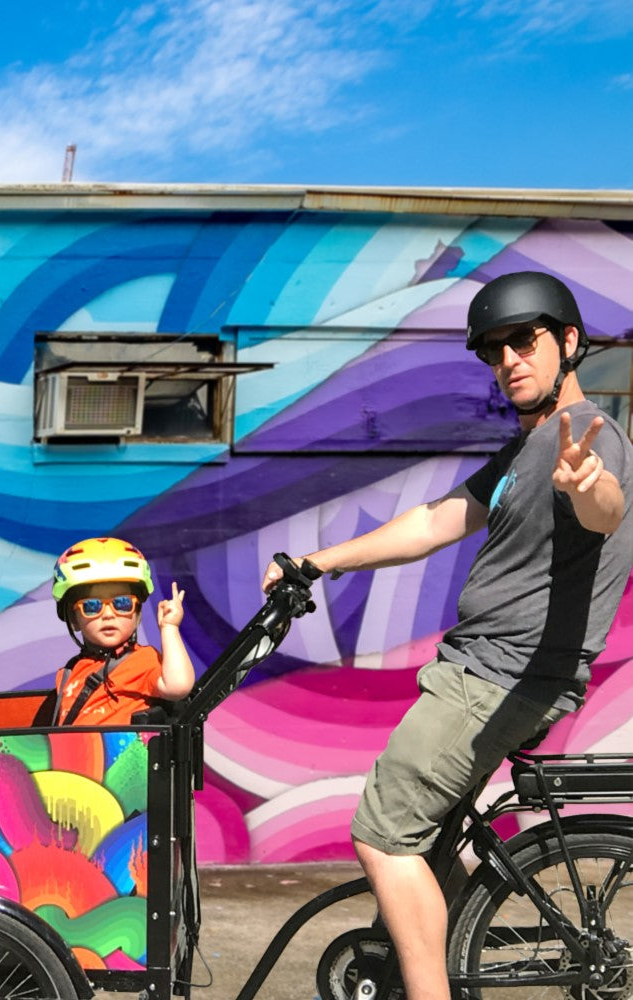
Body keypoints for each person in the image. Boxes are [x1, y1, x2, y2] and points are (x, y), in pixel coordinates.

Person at [261, 271, 633, 1000]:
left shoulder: (590, 439)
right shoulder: (522, 453)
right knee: (428, 841)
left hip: (495, 675)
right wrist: (315, 561)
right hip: (485, 672)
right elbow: (432, 521)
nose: (508, 360)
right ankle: (442, 954)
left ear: (566, 341)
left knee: (381, 832)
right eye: (494, 349)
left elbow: (605, 509)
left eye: (523, 341)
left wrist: (585, 481)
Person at [51, 536, 196, 725]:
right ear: (73, 619)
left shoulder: (141, 660)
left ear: (137, 614)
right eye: (92, 606)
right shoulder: (69, 671)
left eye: (122, 603)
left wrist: (169, 628)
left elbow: (179, 686)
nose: (108, 615)